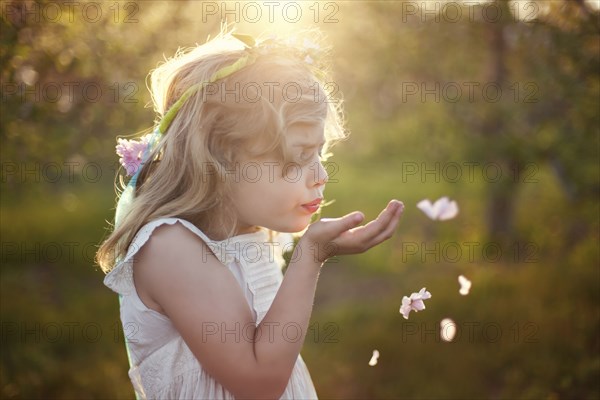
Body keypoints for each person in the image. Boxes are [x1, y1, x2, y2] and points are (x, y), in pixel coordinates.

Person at [96, 29, 404, 399]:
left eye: (319, 154)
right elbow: (259, 382)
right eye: (299, 156)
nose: (321, 176)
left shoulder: (250, 232)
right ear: (220, 159)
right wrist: (311, 255)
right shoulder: (170, 248)